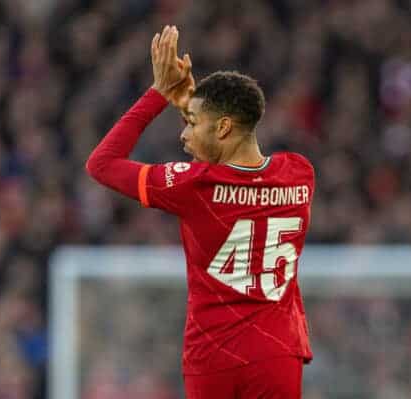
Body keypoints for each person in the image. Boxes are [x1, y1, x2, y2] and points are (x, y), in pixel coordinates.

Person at [86, 25, 314, 399]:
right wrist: (194, 111)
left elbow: (102, 163)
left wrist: (159, 93)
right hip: (277, 352)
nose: (183, 135)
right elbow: (244, 181)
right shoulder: (300, 172)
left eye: (191, 124)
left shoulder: (192, 186)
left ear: (223, 127)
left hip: (214, 354)